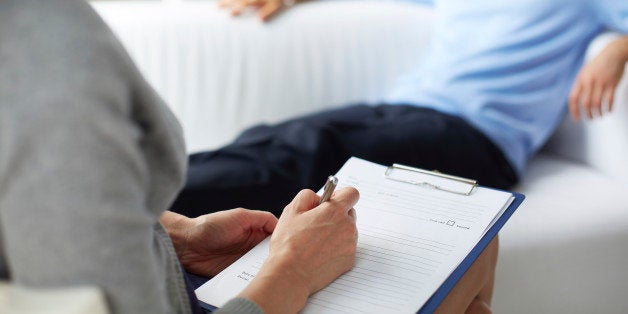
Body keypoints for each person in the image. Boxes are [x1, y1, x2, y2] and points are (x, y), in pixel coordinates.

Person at [0, 0, 499, 313]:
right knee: (475, 255)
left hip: (460, 126)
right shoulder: (48, 66)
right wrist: (293, 270)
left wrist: (178, 236)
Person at [171, 0, 628, 220]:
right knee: (269, 136)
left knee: (311, 150)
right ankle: (148, 187)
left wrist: (616, 48)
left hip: (478, 137)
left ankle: (148, 200)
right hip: (404, 107)